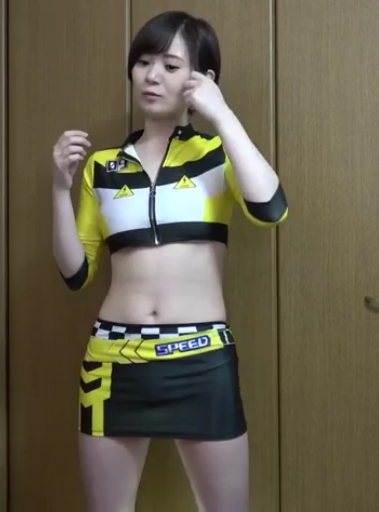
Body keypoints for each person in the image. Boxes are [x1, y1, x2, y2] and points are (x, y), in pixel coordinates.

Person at [50, 10, 288, 512]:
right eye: (143, 62)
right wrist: (58, 189)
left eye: (171, 65)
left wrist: (222, 115)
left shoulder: (217, 154)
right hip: (113, 362)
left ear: (202, 79)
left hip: (201, 360)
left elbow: (271, 208)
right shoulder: (103, 167)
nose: (152, 76)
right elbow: (76, 273)